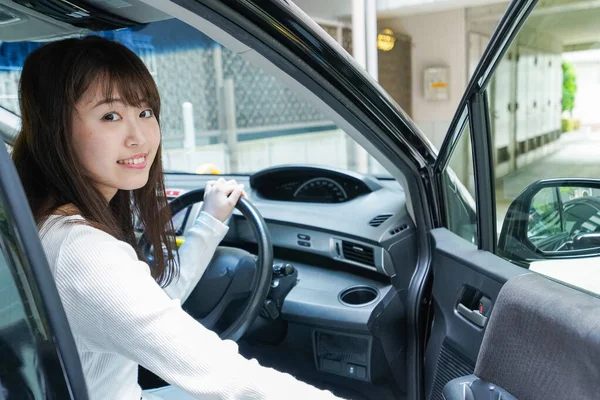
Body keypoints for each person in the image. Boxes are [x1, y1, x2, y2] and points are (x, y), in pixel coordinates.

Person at [11, 36, 343, 400]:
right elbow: (222, 374)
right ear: (55, 130)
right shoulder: (85, 253)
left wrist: (209, 224)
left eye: (145, 112)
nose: (139, 137)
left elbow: (149, 304)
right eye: (110, 116)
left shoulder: (33, 217)